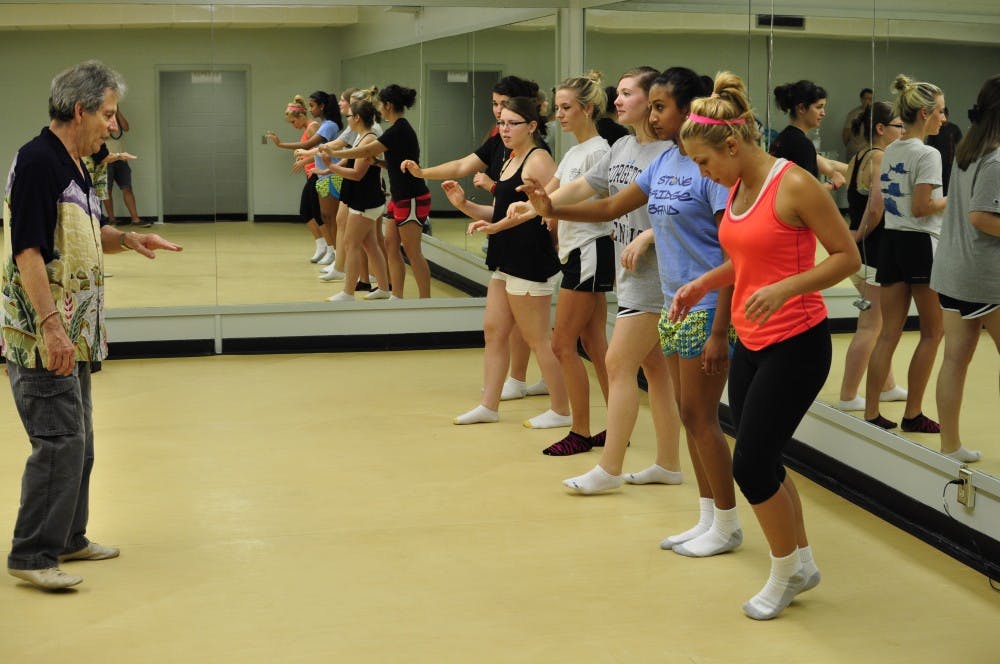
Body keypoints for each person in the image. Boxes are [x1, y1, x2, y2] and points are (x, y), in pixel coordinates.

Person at [522, 67, 743, 557]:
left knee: (703, 420)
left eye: (661, 106)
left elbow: (734, 254)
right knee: (691, 416)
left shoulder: (711, 170)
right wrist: (548, 209)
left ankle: (725, 523)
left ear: (688, 111)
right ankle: (708, 517)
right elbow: (607, 209)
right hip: (673, 304)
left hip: (706, 307)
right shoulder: (662, 163)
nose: (654, 115)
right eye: (655, 105)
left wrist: (720, 325)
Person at [672, 71, 859, 619]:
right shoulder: (737, 188)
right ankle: (799, 561)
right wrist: (706, 282)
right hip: (751, 340)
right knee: (763, 459)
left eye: (704, 162)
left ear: (732, 145)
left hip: (797, 343)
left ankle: (784, 573)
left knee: (750, 467)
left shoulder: (795, 183)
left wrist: (785, 287)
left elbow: (847, 258)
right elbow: (750, 258)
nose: (702, 173)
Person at [3, 60, 182, 591]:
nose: (112, 124)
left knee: (80, 443)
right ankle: (32, 554)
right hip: (45, 337)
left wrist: (128, 239)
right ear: (78, 111)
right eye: (107, 113)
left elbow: (86, 230)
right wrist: (52, 327)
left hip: (75, 334)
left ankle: (69, 538)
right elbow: (28, 251)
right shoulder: (38, 162)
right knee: (57, 442)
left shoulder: (76, 164)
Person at [401, 75, 549, 395]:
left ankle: (530, 384)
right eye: (494, 105)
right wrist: (423, 173)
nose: (498, 114)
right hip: (504, 241)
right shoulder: (500, 141)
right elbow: (462, 166)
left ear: (528, 118)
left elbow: (535, 206)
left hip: (527, 247)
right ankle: (510, 386)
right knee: (499, 326)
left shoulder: (536, 154)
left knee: (531, 330)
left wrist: (494, 207)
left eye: (504, 107)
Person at [443, 96, 570, 428]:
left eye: (512, 123)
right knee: (494, 330)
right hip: (505, 256)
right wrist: (463, 205)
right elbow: (499, 213)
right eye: (501, 123)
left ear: (531, 126)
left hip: (529, 258)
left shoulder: (538, 159)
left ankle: (561, 409)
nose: (504, 129)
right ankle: (489, 404)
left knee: (536, 338)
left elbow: (545, 212)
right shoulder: (508, 158)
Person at [863, 75, 947, 434]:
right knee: (933, 332)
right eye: (941, 112)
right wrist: (955, 200)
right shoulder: (928, 154)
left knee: (888, 333)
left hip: (892, 242)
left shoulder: (892, 148)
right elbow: (923, 206)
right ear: (925, 113)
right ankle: (913, 413)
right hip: (919, 244)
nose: (944, 119)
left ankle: (871, 412)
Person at [537, 72, 612, 453]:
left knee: (562, 343)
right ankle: (618, 426)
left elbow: (569, 200)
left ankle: (580, 432)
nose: (559, 115)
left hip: (589, 251)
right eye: (557, 108)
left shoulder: (599, 151)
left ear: (588, 109)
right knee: (595, 343)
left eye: (566, 108)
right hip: (577, 252)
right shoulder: (573, 152)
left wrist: (540, 204)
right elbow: (547, 197)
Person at [931, 75, 1000, 463]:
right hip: (983, 277)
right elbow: (980, 216)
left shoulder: (968, 151)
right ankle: (949, 444)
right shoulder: (994, 158)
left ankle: (949, 446)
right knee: (957, 358)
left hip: (955, 271)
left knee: (955, 358)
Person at [324, 84, 432, 298]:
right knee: (391, 246)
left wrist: (332, 152)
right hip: (398, 197)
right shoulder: (396, 130)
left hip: (412, 197)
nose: (379, 110)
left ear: (388, 105)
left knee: (413, 252)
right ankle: (396, 295)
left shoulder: (398, 130)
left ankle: (425, 300)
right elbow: (392, 160)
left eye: (381, 105)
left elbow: (366, 150)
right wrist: (379, 164)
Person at [836, 102, 907, 411]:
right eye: (899, 126)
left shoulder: (857, 157)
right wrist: (858, 237)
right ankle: (849, 395)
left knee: (880, 322)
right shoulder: (879, 157)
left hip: (864, 251)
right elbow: (876, 206)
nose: (903, 132)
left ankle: (887, 384)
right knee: (871, 326)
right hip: (871, 253)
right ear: (881, 129)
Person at [322, 98, 392, 302]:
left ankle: (348, 292)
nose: (347, 119)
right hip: (366, 200)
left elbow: (356, 174)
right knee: (370, 245)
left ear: (357, 118)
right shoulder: (362, 137)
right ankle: (384, 288)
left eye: (349, 116)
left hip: (366, 201)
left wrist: (332, 166)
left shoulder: (369, 140)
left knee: (351, 243)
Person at [266, 95, 328, 263]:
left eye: (293, 122)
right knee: (307, 212)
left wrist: (305, 160)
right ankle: (322, 245)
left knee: (315, 212)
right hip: (311, 174)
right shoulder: (307, 129)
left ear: (301, 116)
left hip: (317, 173)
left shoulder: (313, 127)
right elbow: (305, 148)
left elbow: (320, 152)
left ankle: (329, 248)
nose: (293, 125)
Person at [769, 80, 847, 189]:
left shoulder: (785, 137)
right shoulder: (802, 145)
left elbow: (829, 165)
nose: (823, 113)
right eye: (819, 107)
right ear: (801, 108)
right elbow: (805, 193)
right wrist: (832, 184)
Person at [104, 107, 149, 226]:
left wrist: (117, 112)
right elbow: (105, 134)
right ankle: (111, 219)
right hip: (106, 159)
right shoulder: (100, 117)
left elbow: (126, 127)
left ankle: (135, 219)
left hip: (121, 159)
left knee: (127, 188)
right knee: (107, 191)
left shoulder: (115, 117)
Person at [926, 108, 964, 195]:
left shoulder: (954, 128)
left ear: (947, 115)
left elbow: (960, 146)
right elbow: (929, 145)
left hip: (951, 164)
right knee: (939, 186)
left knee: (950, 186)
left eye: (944, 115)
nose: (942, 119)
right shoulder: (935, 129)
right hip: (937, 163)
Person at [841, 87, 874, 161]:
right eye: (866, 98)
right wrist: (852, 147)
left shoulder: (875, 114)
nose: (869, 101)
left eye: (871, 99)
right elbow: (846, 134)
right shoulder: (854, 114)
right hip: (855, 152)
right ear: (861, 99)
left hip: (869, 153)